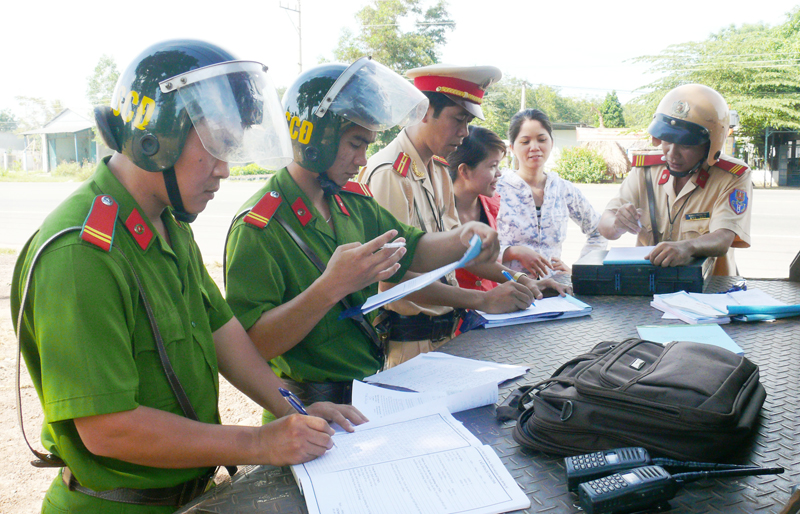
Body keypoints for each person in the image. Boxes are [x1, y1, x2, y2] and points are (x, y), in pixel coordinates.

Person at [11, 40, 363, 513]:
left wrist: (293, 412)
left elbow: (225, 335)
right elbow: (107, 428)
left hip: (191, 496)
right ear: (156, 137)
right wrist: (260, 443)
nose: (223, 169)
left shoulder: (167, 223)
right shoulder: (82, 251)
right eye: (216, 146)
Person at [224, 59, 513, 416]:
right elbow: (250, 347)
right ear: (317, 138)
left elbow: (413, 249)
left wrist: (462, 238)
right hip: (304, 412)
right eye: (355, 144)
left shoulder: (350, 201)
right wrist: (332, 287)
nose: (363, 159)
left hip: (366, 398)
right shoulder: (260, 228)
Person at [360, 65, 568, 366]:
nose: (464, 133)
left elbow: (465, 256)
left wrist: (522, 280)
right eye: (458, 120)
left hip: (448, 336)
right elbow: (392, 277)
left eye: (468, 122)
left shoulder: (438, 171)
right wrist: (482, 300)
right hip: (409, 345)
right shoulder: (389, 173)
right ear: (424, 110)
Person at [597, 84, 751, 276]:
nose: (672, 154)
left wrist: (688, 247)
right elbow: (605, 225)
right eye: (667, 140)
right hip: (651, 285)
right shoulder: (645, 171)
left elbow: (724, 237)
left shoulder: (732, 176)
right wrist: (617, 224)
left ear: (710, 145)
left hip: (710, 291)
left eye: (686, 145)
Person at [496, 109, 607, 280]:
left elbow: (599, 231)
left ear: (551, 143)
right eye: (525, 142)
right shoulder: (498, 188)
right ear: (512, 148)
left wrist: (579, 270)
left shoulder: (563, 190)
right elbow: (476, 245)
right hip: (509, 290)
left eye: (541, 139)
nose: (534, 147)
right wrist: (511, 253)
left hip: (555, 291)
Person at [447, 125, 505, 291]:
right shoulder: (437, 210)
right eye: (493, 166)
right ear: (464, 170)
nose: (499, 173)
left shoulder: (492, 206)